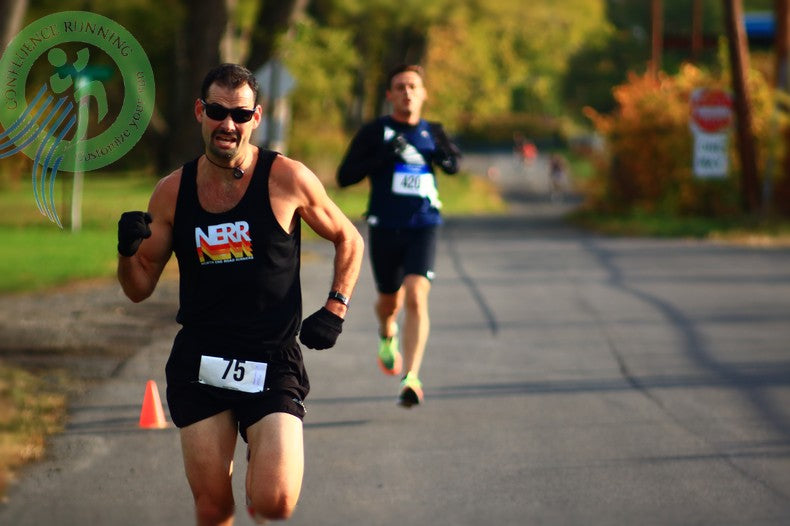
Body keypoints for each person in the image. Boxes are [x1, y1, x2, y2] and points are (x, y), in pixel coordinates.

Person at [116, 63, 363, 525]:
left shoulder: (286, 178)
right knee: (213, 509)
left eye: (240, 114)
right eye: (217, 111)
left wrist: (336, 306)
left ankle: (260, 462)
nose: (228, 124)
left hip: (272, 358)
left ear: (256, 117)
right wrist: (127, 253)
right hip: (202, 360)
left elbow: (349, 237)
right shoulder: (172, 192)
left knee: (274, 502)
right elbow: (139, 286)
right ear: (200, 112)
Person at [336, 64, 461, 408]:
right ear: (390, 95)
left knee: (417, 295)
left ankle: (412, 377)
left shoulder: (433, 132)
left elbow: (454, 164)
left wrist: (444, 156)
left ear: (423, 94)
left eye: (413, 86)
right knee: (390, 301)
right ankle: (386, 331)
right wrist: (382, 157)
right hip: (384, 226)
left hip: (424, 224)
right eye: (400, 87)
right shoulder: (375, 131)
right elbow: (344, 176)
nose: (407, 92)